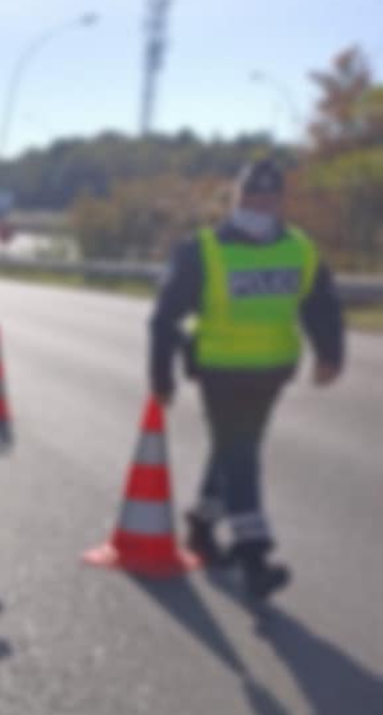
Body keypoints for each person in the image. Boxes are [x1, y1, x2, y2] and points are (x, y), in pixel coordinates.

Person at [150, 158, 345, 600]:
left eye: (268, 199)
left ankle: (202, 524)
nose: (258, 206)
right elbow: (164, 318)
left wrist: (330, 353)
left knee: (234, 448)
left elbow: (322, 302)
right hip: (221, 371)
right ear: (235, 200)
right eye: (250, 198)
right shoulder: (202, 250)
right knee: (242, 454)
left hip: (271, 373)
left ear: (281, 202)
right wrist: (161, 376)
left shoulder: (299, 247)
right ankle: (252, 555)